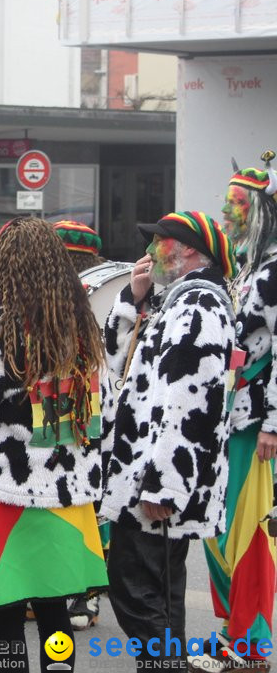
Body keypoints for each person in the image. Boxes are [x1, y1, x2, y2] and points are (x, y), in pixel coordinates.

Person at [0, 217, 108, 673]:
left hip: (8, 491)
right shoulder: (80, 324)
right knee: (55, 611)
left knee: (8, 612)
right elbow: (100, 403)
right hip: (67, 491)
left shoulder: (2, 327)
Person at [102, 211, 237, 671]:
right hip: (149, 472)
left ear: (190, 252)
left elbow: (189, 403)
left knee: (135, 588)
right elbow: (116, 365)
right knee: (159, 594)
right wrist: (132, 299)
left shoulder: (198, 304)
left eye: (159, 244)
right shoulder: (176, 300)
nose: (148, 254)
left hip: (157, 477)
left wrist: (164, 485)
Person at [185, 165, 277, 672]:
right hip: (229, 418)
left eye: (236, 202)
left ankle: (252, 645)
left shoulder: (275, 270)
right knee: (219, 530)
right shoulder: (245, 268)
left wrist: (273, 423)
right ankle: (234, 632)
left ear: (262, 210)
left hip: (254, 425)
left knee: (247, 533)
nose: (225, 211)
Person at [53, 219, 109, 631]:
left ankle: (84, 596)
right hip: (60, 408)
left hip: (90, 405)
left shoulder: (104, 294)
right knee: (73, 505)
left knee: (84, 504)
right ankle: (67, 593)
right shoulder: (45, 293)